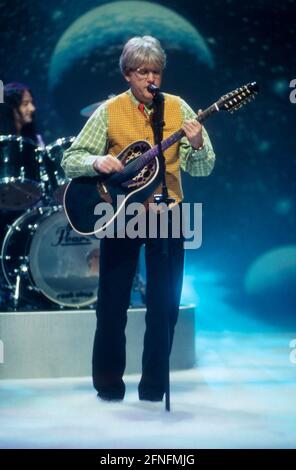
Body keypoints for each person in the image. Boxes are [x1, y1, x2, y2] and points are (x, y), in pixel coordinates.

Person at [61, 36, 215, 402]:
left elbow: (204, 166)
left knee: (164, 307)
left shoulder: (179, 109)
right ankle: (109, 385)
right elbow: (71, 158)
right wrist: (97, 161)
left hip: (169, 214)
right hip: (121, 215)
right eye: (143, 71)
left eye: (156, 71)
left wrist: (195, 145)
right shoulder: (110, 111)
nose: (151, 79)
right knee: (112, 304)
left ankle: (153, 388)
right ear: (128, 74)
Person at [0, 82, 44, 146]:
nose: (32, 108)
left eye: (32, 103)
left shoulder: (36, 138)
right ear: (12, 108)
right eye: (25, 104)